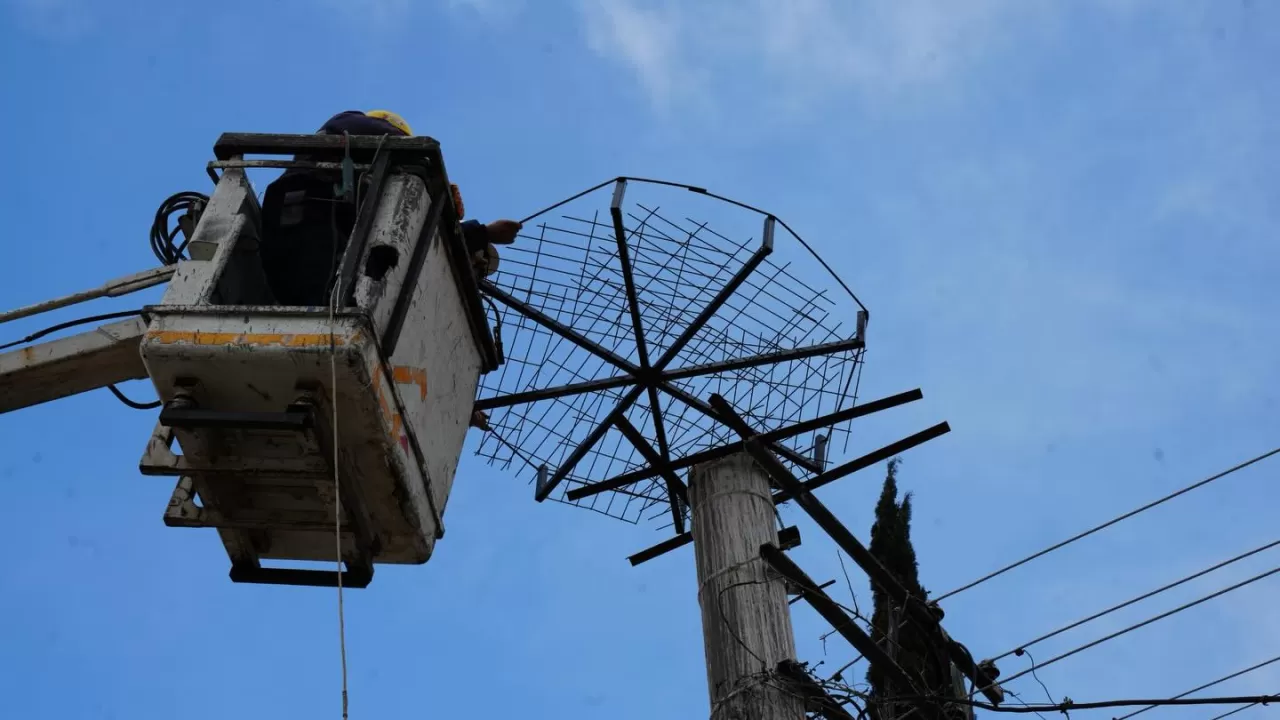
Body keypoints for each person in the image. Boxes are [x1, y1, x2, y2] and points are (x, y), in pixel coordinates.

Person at [258, 109, 521, 306]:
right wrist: (436, 182)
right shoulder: (349, 122)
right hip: (311, 227)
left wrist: (476, 230)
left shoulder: (360, 193)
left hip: (292, 244)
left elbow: (420, 239)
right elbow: (411, 152)